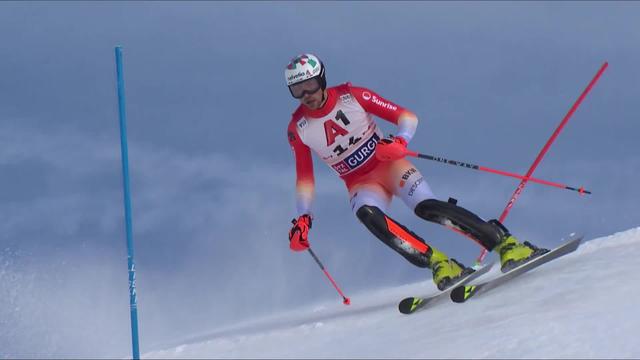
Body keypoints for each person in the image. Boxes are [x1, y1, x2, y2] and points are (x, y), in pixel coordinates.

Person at [285, 53, 547, 290]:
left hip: (389, 165)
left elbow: (406, 116)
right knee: (367, 214)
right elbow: (305, 177)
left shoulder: (353, 96)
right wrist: (303, 218)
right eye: (297, 89)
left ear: (322, 79)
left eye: (310, 85)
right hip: (360, 183)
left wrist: (400, 141)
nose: (306, 94)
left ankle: (506, 244)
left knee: (426, 208)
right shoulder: (299, 128)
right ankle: (440, 263)